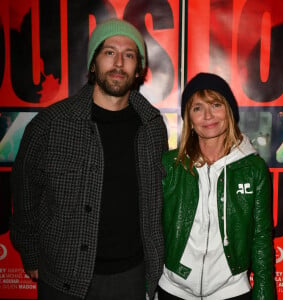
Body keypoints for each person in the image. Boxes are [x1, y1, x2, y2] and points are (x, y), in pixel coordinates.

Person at [10, 18, 168, 300]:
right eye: (109, 52)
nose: (119, 63)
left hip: (130, 277)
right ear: (93, 64)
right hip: (63, 277)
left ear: (138, 69)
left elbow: (156, 201)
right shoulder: (52, 123)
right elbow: (24, 192)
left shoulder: (152, 125)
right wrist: (31, 253)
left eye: (129, 55)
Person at [158, 73, 275, 300]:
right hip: (173, 290)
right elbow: (149, 229)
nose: (208, 115)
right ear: (189, 119)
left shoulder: (253, 169)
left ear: (229, 111)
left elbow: (261, 239)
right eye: (197, 108)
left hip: (232, 292)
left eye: (215, 104)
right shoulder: (170, 165)